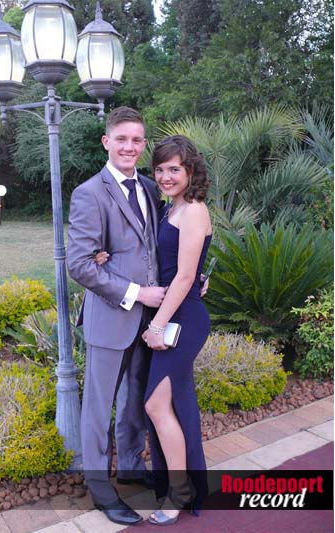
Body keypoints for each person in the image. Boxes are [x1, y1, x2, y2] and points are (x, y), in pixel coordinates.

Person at [94, 135, 212, 525]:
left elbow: (185, 276)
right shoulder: (168, 207)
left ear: (190, 170)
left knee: (155, 405)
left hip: (183, 319)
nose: (165, 176)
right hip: (168, 314)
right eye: (159, 169)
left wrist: (158, 325)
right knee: (176, 405)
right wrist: (104, 255)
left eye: (174, 169)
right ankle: (185, 486)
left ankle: (179, 493)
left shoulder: (193, 210)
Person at [66, 106, 164, 526]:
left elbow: (154, 248)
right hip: (111, 317)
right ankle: (101, 490)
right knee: (99, 406)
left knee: (135, 400)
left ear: (143, 144)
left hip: (149, 320)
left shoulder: (151, 188)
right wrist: (136, 292)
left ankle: (130, 465)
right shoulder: (89, 193)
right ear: (106, 142)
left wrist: (190, 279)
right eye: (121, 139)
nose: (129, 146)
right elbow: (80, 264)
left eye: (136, 140)